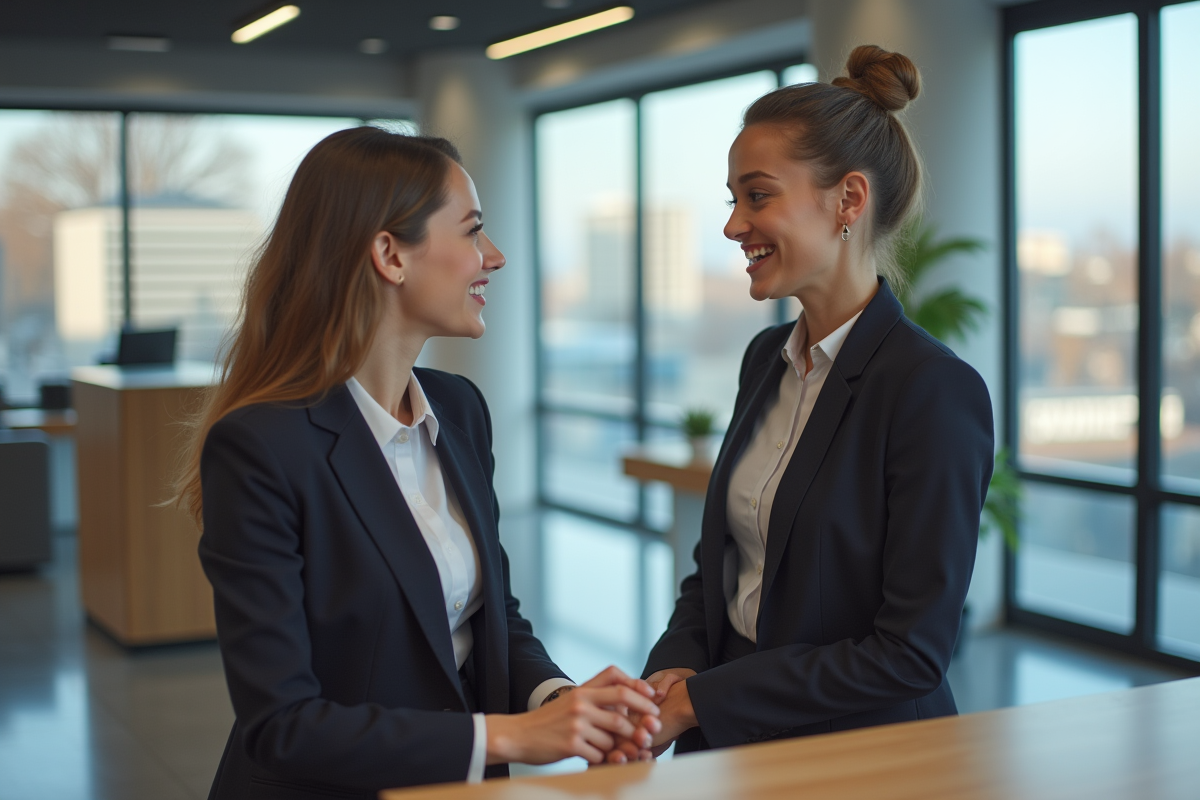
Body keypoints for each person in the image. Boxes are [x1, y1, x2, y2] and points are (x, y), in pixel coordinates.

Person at [176, 127, 659, 800]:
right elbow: (282, 725)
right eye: (471, 232)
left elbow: (492, 619)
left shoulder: (461, 411)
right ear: (390, 256)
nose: (494, 255)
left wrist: (564, 703)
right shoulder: (262, 448)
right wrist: (515, 736)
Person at [616, 45, 994, 758]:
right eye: (734, 200)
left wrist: (701, 701)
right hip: (734, 746)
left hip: (860, 761)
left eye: (757, 197)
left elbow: (908, 655)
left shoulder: (932, 391)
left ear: (849, 200)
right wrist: (676, 667)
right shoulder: (765, 361)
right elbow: (719, 567)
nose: (733, 225)